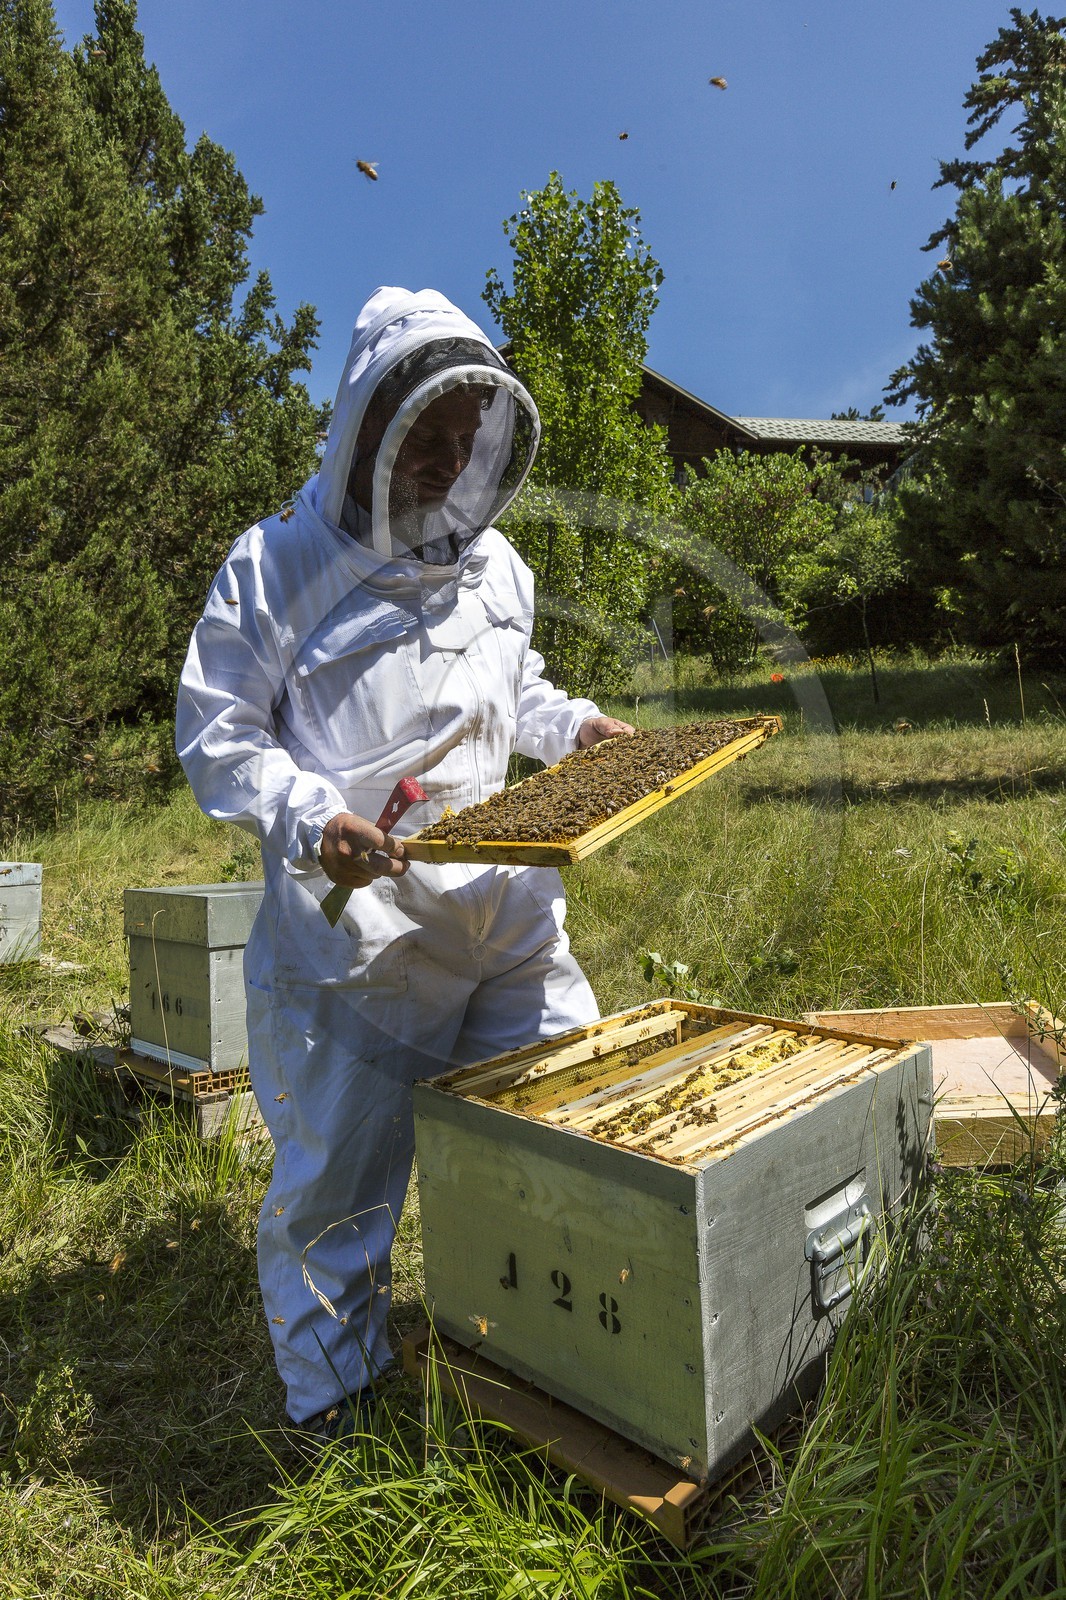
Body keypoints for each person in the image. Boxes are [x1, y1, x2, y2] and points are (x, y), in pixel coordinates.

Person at [176, 286, 632, 1433]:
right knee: (340, 1185)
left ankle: (550, 1351)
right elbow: (219, 734)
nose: (448, 458)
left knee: (568, 1114)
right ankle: (334, 1408)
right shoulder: (273, 565)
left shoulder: (500, 567)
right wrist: (309, 816)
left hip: (505, 915)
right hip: (360, 942)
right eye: (428, 431)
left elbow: (514, 686)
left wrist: (573, 728)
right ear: (365, 422)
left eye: (467, 436)